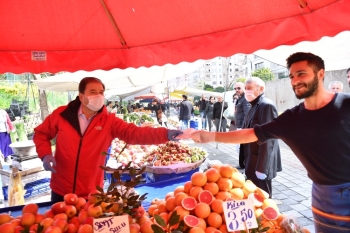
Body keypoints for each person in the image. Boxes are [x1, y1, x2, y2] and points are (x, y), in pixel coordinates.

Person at [191, 52, 350, 232]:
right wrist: (211, 136)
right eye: (292, 76)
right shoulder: (292, 118)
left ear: (321, 74)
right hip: (322, 196)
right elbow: (251, 133)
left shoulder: (346, 104)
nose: (295, 80)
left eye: (302, 74)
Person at [33, 77, 182, 202]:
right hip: (61, 190)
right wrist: (45, 154)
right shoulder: (62, 115)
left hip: (90, 193)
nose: (98, 96)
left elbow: (136, 133)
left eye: (101, 92)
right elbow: (41, 134)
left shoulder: (109, 122)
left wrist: (166, 134)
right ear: (81, 97)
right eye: (93, 92)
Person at [242, 77, 282, 198]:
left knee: (264, 198)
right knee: (255, 197)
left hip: (260, 162)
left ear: (261, 89)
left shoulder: (266, 105)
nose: (246, 91)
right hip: (252, 159)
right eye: (245, 88)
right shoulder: (254, 105)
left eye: (249, 88)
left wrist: (262, 168)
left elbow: (269, 139)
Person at [234, 82, 251, 168]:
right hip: (239, 126)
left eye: (239, 88)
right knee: (239, 148)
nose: (237, 90)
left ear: (244, 88)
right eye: (235, 88)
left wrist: (244, 129)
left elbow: (247, 115)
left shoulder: (245, 99)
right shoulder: (240, 98)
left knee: (241, 148)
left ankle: (245, 164)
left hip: (242, 128)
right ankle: (244, 164)